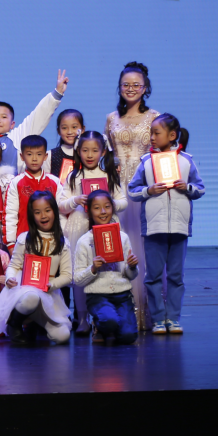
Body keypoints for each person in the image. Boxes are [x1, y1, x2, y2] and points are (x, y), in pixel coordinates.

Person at [127, 113, 204, 335]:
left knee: (176, 277)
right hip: (154, 228)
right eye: (151, 133)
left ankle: (174, 318)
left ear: (172, 135)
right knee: (153, 276)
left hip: (179, 227)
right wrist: (148, 191)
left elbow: (200, 189)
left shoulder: (186, 160)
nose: (152, 137)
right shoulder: (146, 162)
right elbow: (132, 191)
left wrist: (187, 188)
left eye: (156, 133)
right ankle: (158, 319)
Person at [57, 130, 127, 333]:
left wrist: (109, 204)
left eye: (95, 150)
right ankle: (82, 319)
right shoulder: (74, 176)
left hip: (105, 228)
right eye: (85, 150)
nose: (89, 155)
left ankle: (101, 318)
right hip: (80, 226)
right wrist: (75, 200)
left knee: (104, 271)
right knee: (81, 273)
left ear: (103, 152)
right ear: (78, 151)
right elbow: (61, 204)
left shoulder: (109, 175)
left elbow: (123, 201)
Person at [105, 61, 157, 330]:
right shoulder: (111, 118)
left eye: (137, 85)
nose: (131, 88)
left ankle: (146, 313)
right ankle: (121, 312)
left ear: (145, 88)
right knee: (118, 247)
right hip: (117, 189)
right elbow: (105, 153)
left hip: (144, 188)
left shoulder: (155, 117)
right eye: (126, 84)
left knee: (144, 249)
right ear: (119, 87)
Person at [0, 192, 72, 344]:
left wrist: (51, 285)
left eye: (47, 210)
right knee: (32, 297)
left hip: (48, 293)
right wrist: (9, 278)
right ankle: (14, 324)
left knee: (63, 336)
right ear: (32, 215)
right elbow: (14, 266)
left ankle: (34, 322)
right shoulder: (25, 239)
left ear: (54, 211)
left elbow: (67, 275)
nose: (43, 216)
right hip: (25, 291)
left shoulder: (63, 243)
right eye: (37, 212)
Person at [74, 191, 139, 345]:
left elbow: (130, 275)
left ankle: (114, 325)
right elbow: (77, 279)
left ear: (113, 208)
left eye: (107, 207)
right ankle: (99, 324)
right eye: (97, 208)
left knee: (128, 337)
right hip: (98, 296)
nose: (103, 212)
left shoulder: (123, 237)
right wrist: (93, 269)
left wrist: (132, 267)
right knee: (109, 321)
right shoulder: (84, 241)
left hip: (122, 294)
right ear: (89, 211)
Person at [4, 136, 62, 250]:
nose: (34, 159)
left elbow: (61, 212)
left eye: (39, 154)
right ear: (22, 156)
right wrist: (10, 244)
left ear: (45, 156)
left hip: (51, 241)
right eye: (29, 154)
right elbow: (10, 214)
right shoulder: (16, 182)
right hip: (24, 241)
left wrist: (61, 237)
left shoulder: (54, 182)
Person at [50, 109, 85, 182]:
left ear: (83, 129)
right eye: (64, 128)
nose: (69, 132)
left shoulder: (88, 154)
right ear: (58, 131)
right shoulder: (50, 155)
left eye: (74, 127)